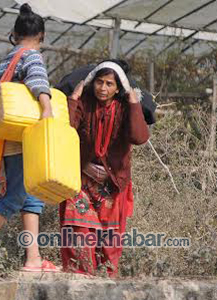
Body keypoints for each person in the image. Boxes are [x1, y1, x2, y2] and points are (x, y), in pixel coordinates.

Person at [0, 3, 58, 272]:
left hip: (11, 139)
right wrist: (46, 109)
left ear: (14, 32)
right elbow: (38, 82)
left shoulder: (7, 59)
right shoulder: (32, 56)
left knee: (31, 197)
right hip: (25, 139)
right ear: (41, 36)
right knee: (14, 197)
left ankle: (33, 259)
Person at [59, 59, 149, 277]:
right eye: (99, 82)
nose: (103, 88)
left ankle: (106, 278)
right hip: (81, 178)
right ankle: (81, 276)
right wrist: (74, 99)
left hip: (112, 183)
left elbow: (139, 137)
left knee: (109, 238)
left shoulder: (125, 109)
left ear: (118, 88)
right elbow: (66, 130)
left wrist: (134, 103)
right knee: (78, 227)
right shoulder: (85, 104)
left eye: (109, 84)